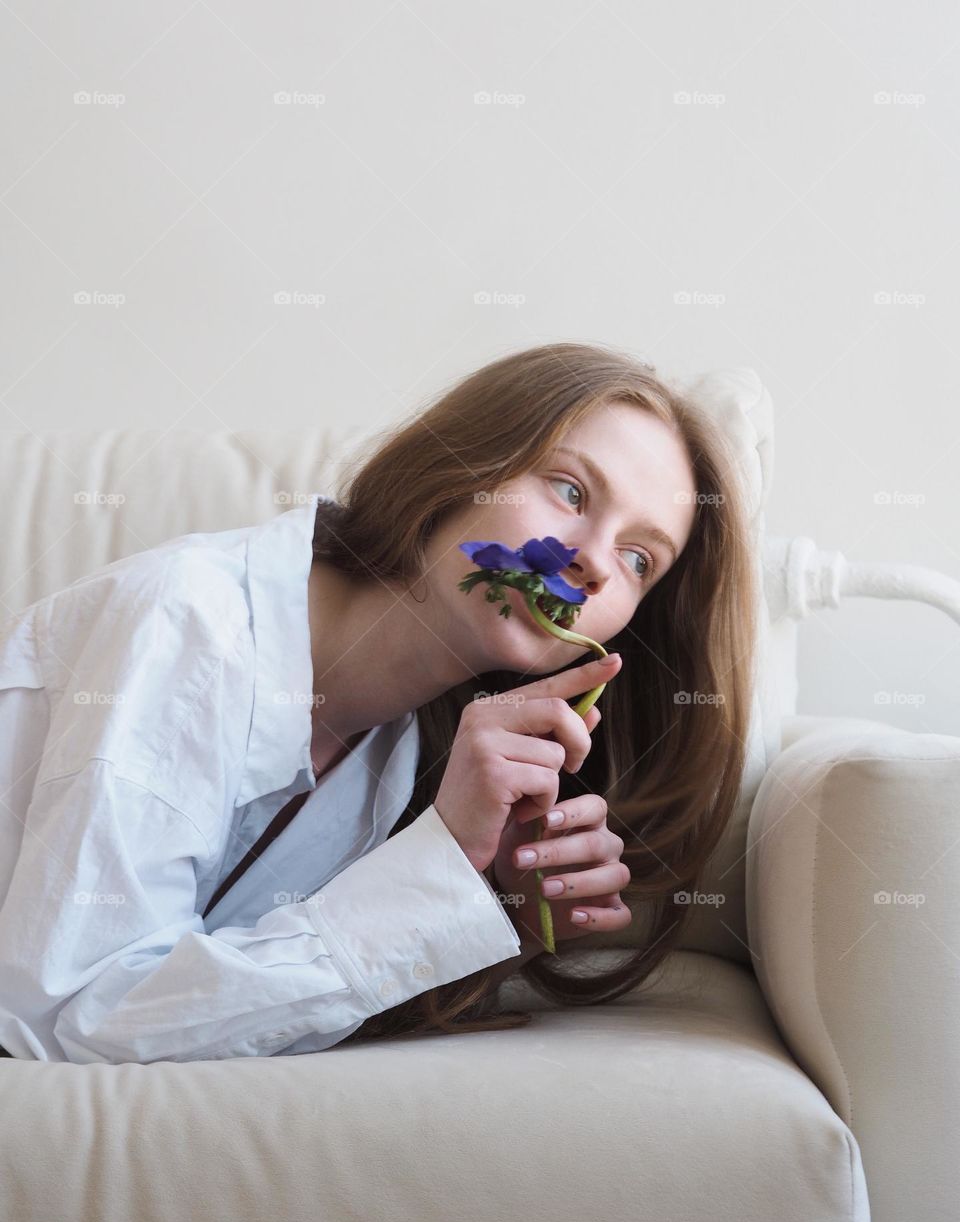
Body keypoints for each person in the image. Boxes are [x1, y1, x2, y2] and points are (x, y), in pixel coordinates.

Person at [0, 341, 759, 1063]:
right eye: (570, 490)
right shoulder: (189, 623)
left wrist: (490, 904)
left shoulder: (416, 759)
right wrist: (436, 867)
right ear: (460, 464)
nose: (593, 562)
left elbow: (220, 1015)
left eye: (638, 558)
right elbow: (79, 1021)